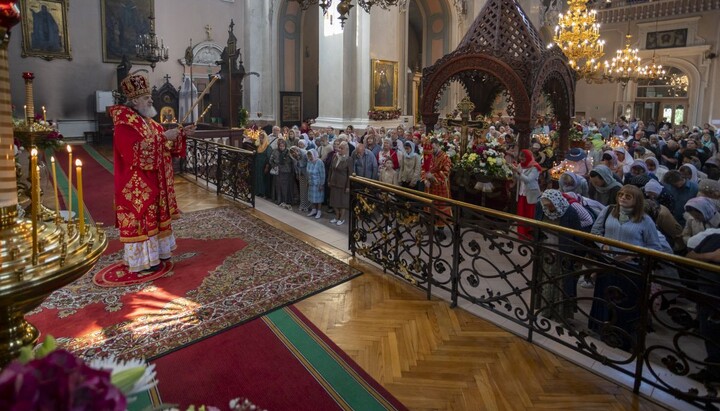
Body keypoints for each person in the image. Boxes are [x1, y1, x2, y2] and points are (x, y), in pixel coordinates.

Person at [109, 73, 195, 273]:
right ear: (136, 101)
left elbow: (165, 145)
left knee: (155, 217)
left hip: (154, 181)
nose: (151, 99)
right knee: (143, 221)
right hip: (137, 183)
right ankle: (143, 261)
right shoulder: (124, 123)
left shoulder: (149, 122)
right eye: (146, 97)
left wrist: (181, 134)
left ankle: (158, 254)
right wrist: (164, 137)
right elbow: (134, 152)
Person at [590, 184, 664, 350]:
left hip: (630, 269)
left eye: (627, 196)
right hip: (608, 264)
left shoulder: (645, 220)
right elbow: (595, 231)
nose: (622, 198)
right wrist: (603, 246)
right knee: (605, 300)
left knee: (625, 304)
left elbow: (655, 246)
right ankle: (604, 331)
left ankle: (623, 337)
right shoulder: (609, 211)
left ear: (636, 201)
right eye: (621, 195)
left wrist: (633, 254)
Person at [423, 137, 453, 239]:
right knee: (429, 206)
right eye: (431, 149)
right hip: (430, 187)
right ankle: (430, 229)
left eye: (434, 148)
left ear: (438, 146)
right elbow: (424, 168)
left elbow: (446, 172)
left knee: (440, 208)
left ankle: (441, 231)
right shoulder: (429, 155)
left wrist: (433, 177)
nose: (432, 150)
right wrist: (425, 179)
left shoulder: (445, 157)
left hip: (441, 187)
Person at [512, 149, 542, 239]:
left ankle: (529, 234)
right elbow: (518, 178)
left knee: (530, 215)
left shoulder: (535, 167)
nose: (521, 160)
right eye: (520, 158)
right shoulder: (521, 165)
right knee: (521, 214)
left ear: (528, 157)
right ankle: (521, 234)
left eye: (523, 158)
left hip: (531, 194)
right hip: (522, 193)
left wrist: (519, 172)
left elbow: (528, 180)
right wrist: (514, 171)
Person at [328, 141, 353, 226]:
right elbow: (331, 169)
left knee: (342, 202)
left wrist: (348, 186)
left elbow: (350, 174)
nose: (340, 150)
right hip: (334, 182)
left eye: (342, 148)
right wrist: (329, 180)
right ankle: (337, 215)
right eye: (339, 148)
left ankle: (341, 218)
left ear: (346, 149)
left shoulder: (349, 159)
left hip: (343, 184)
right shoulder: (335, 156)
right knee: (334, 201)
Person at [306, 149, 325, 219]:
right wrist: (308, 181)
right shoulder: (309, 162)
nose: (309, 157)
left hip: (318, 183)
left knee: (318, 198)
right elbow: (307, 172)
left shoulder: (319, 162)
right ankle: (314, 210)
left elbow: (322, 174)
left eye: (310, 155)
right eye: (308, 155)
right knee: (312, 198)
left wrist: (321, 184)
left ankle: (319, 211)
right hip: (311, 183)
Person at [253, 131, 272, 198]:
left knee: (263, 179)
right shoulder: (259, 146)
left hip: (264, 165)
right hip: (258, 164)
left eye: (262, 138)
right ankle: (257, 191)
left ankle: (263, 192)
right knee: (258, 178)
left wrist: (267, 167)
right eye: (260, 138)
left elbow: (269, 157)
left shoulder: (268, 147)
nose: (261, 139)